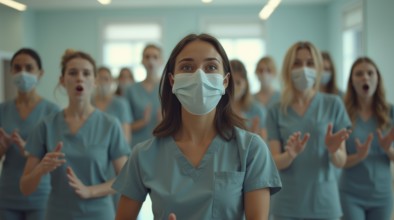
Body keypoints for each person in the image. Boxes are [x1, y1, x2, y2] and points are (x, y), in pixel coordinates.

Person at [113, 33, 282, 220]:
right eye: (187, 67)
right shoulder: (145, 154)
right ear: (172, 81)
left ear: (225, 81)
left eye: (210, 67)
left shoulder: (251, 150)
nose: (199, 76)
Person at [19, 50, 130, 220]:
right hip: (58, 213)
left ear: (94, 81)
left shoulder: (110, 125)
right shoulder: (46, 125)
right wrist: (40, 169)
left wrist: (90, 191)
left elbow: (125, 178)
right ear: (62, 80)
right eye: (72, 73)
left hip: (99, 213)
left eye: (86, 73)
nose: (80, 78)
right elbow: (25, 187)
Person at [266, 41, 352, 220]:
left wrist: (334, 150)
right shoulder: (276, 110)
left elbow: (341, 161)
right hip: (287, 205)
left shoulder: (333, 104)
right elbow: (274, 162)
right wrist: (289, 154)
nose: (303, 69)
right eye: (297, 63)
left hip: (324, 203)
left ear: (318, 68)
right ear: (288, 69)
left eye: (310, 63)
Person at [0, 48, 59, 220]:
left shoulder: (51, 111)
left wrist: (30, 150)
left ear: (40, 73)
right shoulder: (3, 110)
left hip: (40, 194)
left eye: (28, 68)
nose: (22, 73)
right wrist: (2, 147)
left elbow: (57, 156)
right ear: (11, 72)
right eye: (17, 68)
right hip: (7, 194)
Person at [340, 57, 394, 220]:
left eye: (370, 73)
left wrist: (388, 149)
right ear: (351, 81)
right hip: (351, 194)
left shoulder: (390, 112)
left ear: (377, 78)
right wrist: (359, 156)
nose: (365, 77)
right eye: (359, 74)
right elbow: (340, 161)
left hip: (382, 195)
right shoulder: (343, 113)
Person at [124, 44, 163, 147]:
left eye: (155, 57)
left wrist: (164, 122)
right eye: (147, 57)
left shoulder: (169, 89)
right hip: (137, 146)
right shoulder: (131, 90)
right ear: (142, 61)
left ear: (161, 61)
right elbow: (124, 126)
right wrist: (143, 122)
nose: (151, 60)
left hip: (162, 144)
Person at [93, 66, 133, 144]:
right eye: (99, 79)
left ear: (111, 81)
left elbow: (126, 137)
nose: (102, 82)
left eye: (106, 79)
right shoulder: (89, 103)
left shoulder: (121, 104)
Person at [230, 59, 267, 139]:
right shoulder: (217, 110)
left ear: (245, 84)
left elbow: (264, 146)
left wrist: (253, 138)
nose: (234, 87)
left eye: (238, 82)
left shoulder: (257, 110)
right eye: (231, 83)